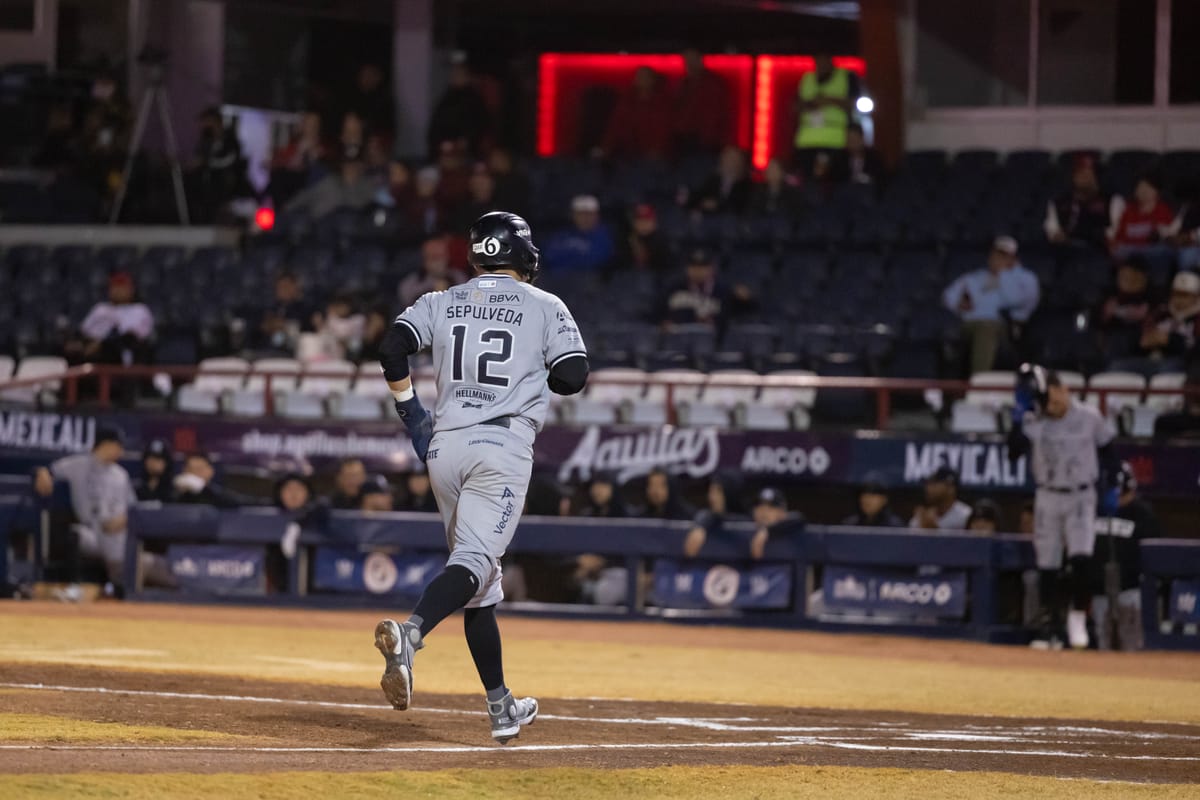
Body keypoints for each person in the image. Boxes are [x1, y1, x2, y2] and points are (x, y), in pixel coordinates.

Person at [372, 210, 589, 742]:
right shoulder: (545, 304)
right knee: (473, 563)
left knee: (481, 587)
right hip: (502, 445)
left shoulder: (442, 300)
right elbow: (573, 375)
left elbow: (392, 347)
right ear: (521, 251)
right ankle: (411, 632)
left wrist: (411, 414)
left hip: (443, 446)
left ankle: (501, 707)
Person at [1007, 363, 1121, 650]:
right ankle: (1049, 628)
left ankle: (1078, 618)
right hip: (1047, 494)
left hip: (1081, 494)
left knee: (1082, 559)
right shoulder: (1035, 419)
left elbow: (1109, 451)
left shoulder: (1089, 416)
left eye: (1053, 398)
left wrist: (1111, 484)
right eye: (1045, 400)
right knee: (1048, 564)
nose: (1051, 405)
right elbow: (1013, 452)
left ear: (1063, 390)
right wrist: (1017, 421)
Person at [32, 428, 170, 588]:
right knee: (77, 535)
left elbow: (134, 509)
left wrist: (124, 520)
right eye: (118, 446)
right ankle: (75, 589)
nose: (121, 451)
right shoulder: (77, 465)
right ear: (106, 445)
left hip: (119, 533)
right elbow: (48, 470)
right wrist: (41, 473)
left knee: (147, 562)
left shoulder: (120, 474)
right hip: (92, 532)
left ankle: (133, 588)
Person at [942, 235, 1041, 374]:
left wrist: (1003, 274)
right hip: (969, 324)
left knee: (987, 328)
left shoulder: (1024, 278)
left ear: (1013, 258)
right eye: (996, 254)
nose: (997, 259)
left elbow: (1014, 300)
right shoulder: (975, 277)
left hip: (1007, 328)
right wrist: (959, 304)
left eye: (1004, 256)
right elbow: (948, 296)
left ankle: (979, 386)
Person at [1090, 461, 1158, 651]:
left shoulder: (1142, 513)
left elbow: (1154, 554)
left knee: (1131, 644)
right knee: (1102, 642)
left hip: (1130, 590)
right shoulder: (1093, 511)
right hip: (1099, 591)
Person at [658, 248, 754, 335]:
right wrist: (662, 322)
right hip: (676, 341)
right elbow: (656, 314)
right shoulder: (673, 288)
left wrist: (747, 300)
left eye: (702, 267)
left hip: (713, 344)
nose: (698, 271)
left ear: (711, 269)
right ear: (687, 269)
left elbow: (741, 315)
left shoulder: (723, 290)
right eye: (694, 267)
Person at [793, 55, 859, 179]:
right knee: (809, 184)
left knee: (834, 183)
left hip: (835, 143)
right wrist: (810, 104)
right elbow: (795, 105)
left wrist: (828, 101)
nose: (820, 64)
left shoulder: (845, 77)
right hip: (807, 143)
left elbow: (854, 104)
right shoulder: (807, 79)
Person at [75, 271, 155, 367]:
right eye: (115, 287)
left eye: (122, 287)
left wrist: (102, 345)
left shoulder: (140, 310)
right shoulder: (100, 308)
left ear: (131, 290)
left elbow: (132, 338)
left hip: (121, 353)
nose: (118, 291)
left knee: (112, 348)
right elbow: (84, 332)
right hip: (93, 353)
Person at [1129, 270, 1200, 375]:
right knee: (1117, 366)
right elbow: (1139, 340)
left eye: (1185, 295)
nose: (1179, 299)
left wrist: (1170, 340)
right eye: (1176, 294)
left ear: (1196, 296)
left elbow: (1195, 352)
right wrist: (1143, 341)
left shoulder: (1197, 318)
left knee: (1167, 369)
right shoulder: (1160, 314)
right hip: (1151, 359)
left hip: (1182, 363)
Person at [1110, 174, 1176, 281]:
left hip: (1152, 251)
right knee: (1120, 251)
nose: (1144, 191)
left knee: (1162, 251)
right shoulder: (1129, 211)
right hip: (1130, 251)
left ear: (1157, 192)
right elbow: (1119, 238)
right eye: (1141, 187)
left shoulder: (1163, 210)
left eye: (1148, 188)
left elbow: (1168, 236)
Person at [284, 147, 378, 221]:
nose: (350, 168)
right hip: (323, 232)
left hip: (355, 235)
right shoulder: (330, 182)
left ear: (360, 166)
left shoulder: (368, 186)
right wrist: (286, 209)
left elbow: (372, 209)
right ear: (342, 165)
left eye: (354, 164)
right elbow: (306, 196)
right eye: (347, 164)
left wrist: (351, 186)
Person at [600, 66, 673, 160]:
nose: (642, 80)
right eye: (639, 77)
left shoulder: (663, 102)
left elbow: (664, 129)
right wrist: (605, 147)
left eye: (645, 77)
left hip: (657, 156)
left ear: (653, 80)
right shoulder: (627, 100)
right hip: (629, 153)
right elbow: (615, 126)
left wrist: (657, 150)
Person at [1044, 155, 1116, 250]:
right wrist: (1058, 237)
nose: (1085, 178)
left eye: (1089, 174)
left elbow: (1115, 232)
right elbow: (1053, 231)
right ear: (1074, 177)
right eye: (1081, 174)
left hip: (1099, 247)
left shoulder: (1110, 200)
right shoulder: (1059, 201)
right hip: (1068, 247)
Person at [427, 55, 489, 157]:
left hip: (462, 155)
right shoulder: (447, 96)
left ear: (468, 76)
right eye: (453, 71)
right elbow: (436, 124)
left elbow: (477, 127)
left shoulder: (474, 100)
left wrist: (461, 143)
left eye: (459, 72)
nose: (454, 75)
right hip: (440, 152)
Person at [1094, 257, 1154, 362]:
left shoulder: (1154, 301)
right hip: (1107, 352)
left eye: (1133, 277)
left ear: (1144, 279)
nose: (1128, 280)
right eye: (1124, 276)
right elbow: (1097, 328)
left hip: (1140, 354)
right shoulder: (1106, 299)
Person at [671, 48, 729, 155]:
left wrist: (709, 138)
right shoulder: (683, 84)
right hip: (683, 139)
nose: (689, 64)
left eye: (692, 59)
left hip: (705, 141)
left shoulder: (713, 84)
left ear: (700, 60)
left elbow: (716, 113)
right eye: (687, 60)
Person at [540, 195, 615, 275]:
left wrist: (570, 256)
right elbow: (550, 255)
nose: (585, 218)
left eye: (589, 214)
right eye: (581, 214)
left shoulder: (605, 234)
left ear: (597, 215)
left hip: (594, 281)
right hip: (561, 279)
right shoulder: (563, 234)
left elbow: (598, 258)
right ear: (573, 215)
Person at [683, 476, 746, 557]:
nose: (712, 497)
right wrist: (700, 526)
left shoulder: (747, 522)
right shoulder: (705, 519)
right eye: (711, 491)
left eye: (718, 491)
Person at [256, 273, 315, 351]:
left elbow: (307, 330)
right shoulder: (270, 308)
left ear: (295, 287)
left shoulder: (304, 309)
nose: (283, 290)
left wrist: (285, 326)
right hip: (268, 351)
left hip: (295, 350)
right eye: (280, 287)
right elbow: (260, 328)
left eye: (286, 287)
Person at [690, 146, 752, 215]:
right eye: (726, 158)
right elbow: (700, 197)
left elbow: (739, 207)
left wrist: (717, 205)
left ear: (741, 163)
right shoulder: (713, 180)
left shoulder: (747, 185)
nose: (729, 163)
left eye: (733, 159)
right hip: (712, 221)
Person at [171, 452, 246, 508]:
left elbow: (235, 503)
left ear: (210, 471)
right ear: (184, 470)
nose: (195, 473)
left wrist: (202, 489)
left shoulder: (219, 494)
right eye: (191, 470)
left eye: (199, 469)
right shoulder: (174, 492)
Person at [748, 487, 805, 560]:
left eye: (770, 508)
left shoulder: (791, 527)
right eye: (759, 507)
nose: (763, 512)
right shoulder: (744, 525)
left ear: (782, 513)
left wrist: (768, 531)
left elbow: (799, 518)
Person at [909, 466, 972, 531]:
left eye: (934, 483)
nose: (928, 488)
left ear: (950, 488)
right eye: (928, 484)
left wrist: (933, 531)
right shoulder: (921, 518)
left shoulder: (965, 516)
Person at [620, 204, 673, 275]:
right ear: (634, 223)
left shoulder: (662, 240)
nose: (643, 224)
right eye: (640, 220)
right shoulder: (628, 238)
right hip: (632, 276)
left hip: (657, 277)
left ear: (655, 223)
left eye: (647, 220)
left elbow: (665, 266)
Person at [831, 123, 885, 189]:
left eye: (855, 139)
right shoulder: (839, 158)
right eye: (849, 139)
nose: (852, 143)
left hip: (867, 192)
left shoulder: (874, 158)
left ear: (861, 139)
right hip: (845, 192)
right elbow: (835, 180)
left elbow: (881, 179)